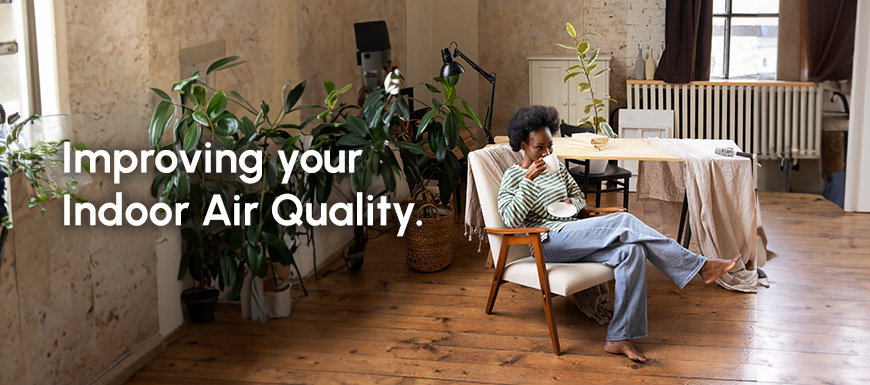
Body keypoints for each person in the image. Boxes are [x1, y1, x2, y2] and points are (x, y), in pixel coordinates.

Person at [497, 105, 739, 363]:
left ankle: (619, 337)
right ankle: (700, 267)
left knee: (631, 251)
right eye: (539, 148)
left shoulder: (557, 169)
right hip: (547, 241)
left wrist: (572, 204)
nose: (547, 153)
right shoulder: (514, 176)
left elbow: (579, 196)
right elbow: (510, 220)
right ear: (523, 144)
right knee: (624, 220)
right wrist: (528, 182)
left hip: (573, 232)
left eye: (550, 147)